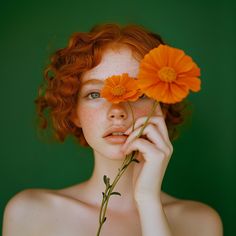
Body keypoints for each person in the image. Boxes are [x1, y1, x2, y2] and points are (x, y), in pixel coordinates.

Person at [2, 23, 223, 236]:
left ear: (162, 107)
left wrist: (148, 200)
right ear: (74, 112)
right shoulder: (30, 213)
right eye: (95, 94)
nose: (117, 110)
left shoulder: (200, 222)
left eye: (138, 93)